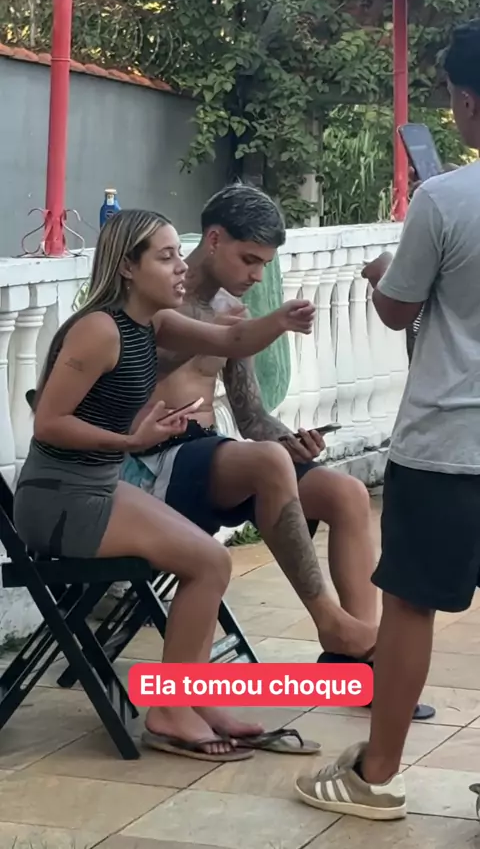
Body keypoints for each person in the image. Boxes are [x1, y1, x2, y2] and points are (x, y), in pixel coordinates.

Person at [14, 208, 319, 763]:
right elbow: (49, 423)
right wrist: (131, 441)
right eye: (165, 256)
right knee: (209, 562)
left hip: (97, 486)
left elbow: (234, 338)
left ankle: (193, 698)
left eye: (179, 253)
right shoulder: (99, 329)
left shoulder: (152, 323)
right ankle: (171, 710)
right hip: (61, 500)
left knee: (209, 561)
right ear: (127, 267)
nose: (181, 266)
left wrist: (282, 319)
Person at [120, 183, 432, 720]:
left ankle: (357, 663)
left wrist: (291, 441)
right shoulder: (156, 297)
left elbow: (251, 418)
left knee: (345, 492)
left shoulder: (231, 310)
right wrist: (215, 336)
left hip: (208, 458)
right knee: (266, 463)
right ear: (214, 239)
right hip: (151, 464)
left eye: (264, 264)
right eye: (249, 260)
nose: (257, 276)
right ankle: (331, 622)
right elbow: (125, 378)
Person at [294, 19, 480, 819]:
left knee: (408, 604)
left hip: (446, 443)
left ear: (466, 102)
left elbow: (399, 309)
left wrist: (383, 274)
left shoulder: (446, 199)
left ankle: (377, 776)